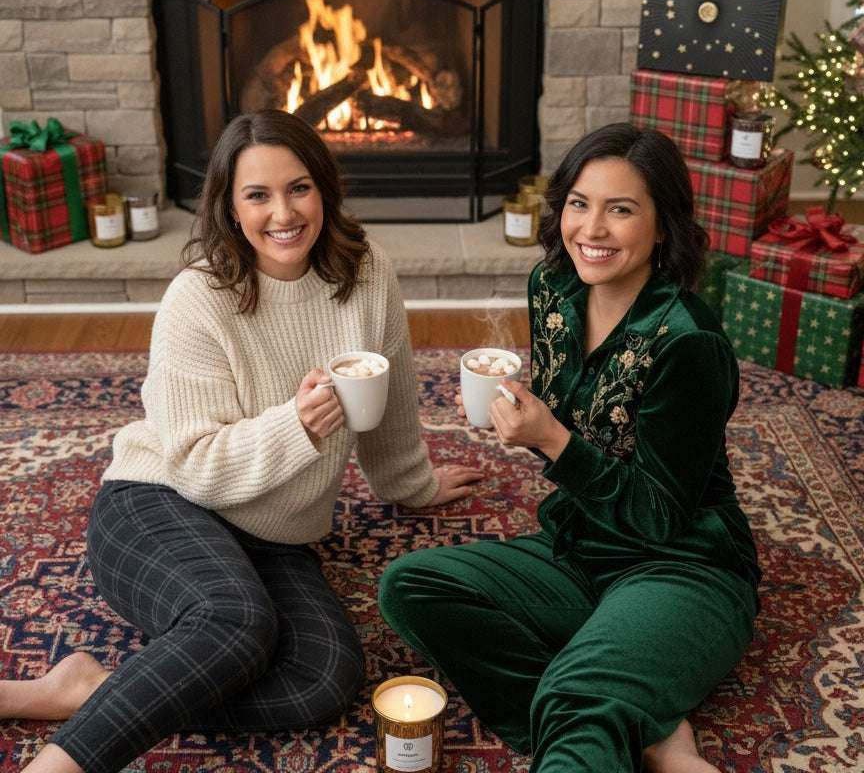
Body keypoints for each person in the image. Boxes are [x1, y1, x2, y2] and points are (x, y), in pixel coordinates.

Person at [0, 109, 482, 773]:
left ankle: (89, 688)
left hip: (277, 531)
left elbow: (390, 402)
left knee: (324, 678)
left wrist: (413, 484)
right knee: (236, 624)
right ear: (228, 206)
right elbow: (194, 467)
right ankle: (60, 765)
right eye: (257, 194)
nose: (283, 212)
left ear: (326, 190)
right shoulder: (198, 299)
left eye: (299, 187)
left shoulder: (367, 273)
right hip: (159, 501)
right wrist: (299, 424)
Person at [379, 122, 760, 773]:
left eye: (621, 210)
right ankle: (643, 715)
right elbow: (583, 435)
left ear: (663, 226)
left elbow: (659, 518)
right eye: (580, 204)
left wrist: (551, 438)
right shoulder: (553, 293)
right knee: (410, 587)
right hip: (580, 550)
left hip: (682, 568)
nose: (592, 229)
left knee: (574, 695)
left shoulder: (689, 343)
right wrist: (533, 425)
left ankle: (599, 701)